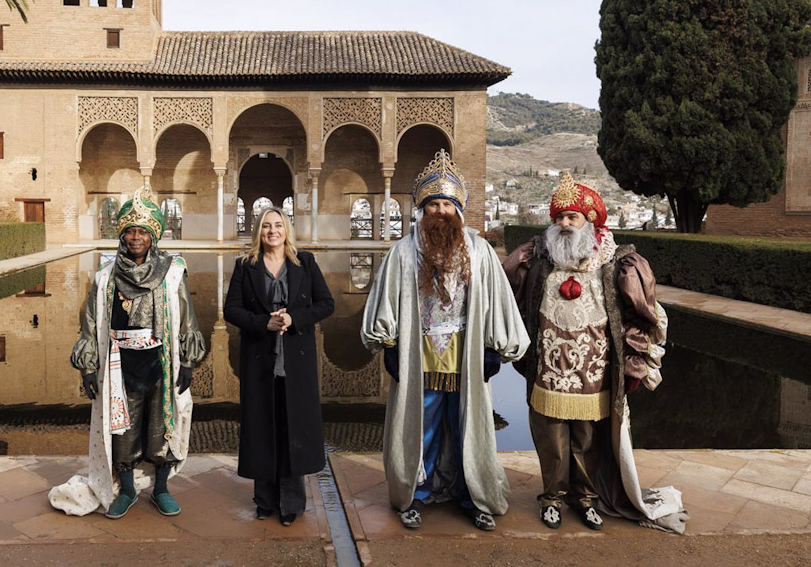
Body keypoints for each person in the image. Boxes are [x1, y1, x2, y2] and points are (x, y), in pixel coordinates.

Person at [503, 172, 687, 534]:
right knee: (551, 437)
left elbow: (639, 314)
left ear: (589, 221)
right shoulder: (536, 258)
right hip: (548, 369)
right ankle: (552, 498)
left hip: (594, 368)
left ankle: (585, 498)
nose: (564, 224)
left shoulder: (616, 262)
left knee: (587, 438)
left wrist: (634, 361)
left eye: (572, 217)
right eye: (559, 217)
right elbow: (513, 299)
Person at [361, 149, 529, 531]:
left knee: (468, 427)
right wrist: (390, 346)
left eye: (447, 204)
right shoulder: (404, 253)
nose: (440, 211)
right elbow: (386, 300)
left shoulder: (479, 252)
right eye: (433, 204)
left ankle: (473, 496)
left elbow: (497, 302)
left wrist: (493, 348)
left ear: (458, 210)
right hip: (418, 356)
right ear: (422, 209)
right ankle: (415, 495)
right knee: (421, 428)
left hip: (466, 356)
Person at [49, 186, 205, 518]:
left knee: (163, 427)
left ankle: (161, 489)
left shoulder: (172, 272)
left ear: (153, 236)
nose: (136, 237)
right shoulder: (106, 277)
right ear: (122, 235)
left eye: (143, 231)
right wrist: (88, 369)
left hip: (161, 362)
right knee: (122, 429)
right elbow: (90, 323)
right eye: (130, 231)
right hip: (119, 365)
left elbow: (187, 318)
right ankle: (129, 490)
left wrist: (188, 363)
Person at [224, 206, 335, 525]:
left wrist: (293, 318)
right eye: (266, 226)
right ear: (258, 231)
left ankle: (291, 503)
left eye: (278, 225)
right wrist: (263, 322)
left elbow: (326, 303)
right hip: (260, 359)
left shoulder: (305, 262)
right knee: (261, 426)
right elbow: (231, 310)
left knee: (293, 427)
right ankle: (264, 500)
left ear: (286, 229)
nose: (272, 231)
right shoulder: (245, 265)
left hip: (296, 361)